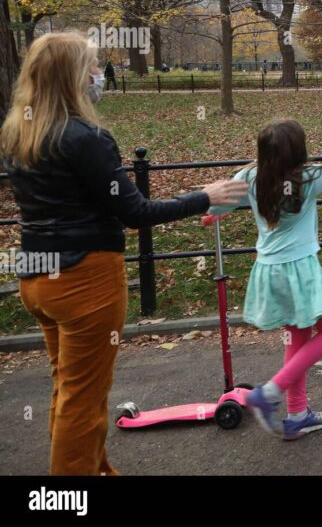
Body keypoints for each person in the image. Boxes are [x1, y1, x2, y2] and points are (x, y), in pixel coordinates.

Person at [0, 31, 248, 475]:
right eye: (93, 66)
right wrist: (203, 195)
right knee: (84, 398)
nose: (100, 74)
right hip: (84, 281)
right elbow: (136, 211)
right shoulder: (86, 137)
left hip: (37, 280)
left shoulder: (21, 132)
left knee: (71, 387)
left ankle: (95, 470)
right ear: (74, 76)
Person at [204, 107, 322, 440]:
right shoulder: (311, 178)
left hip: (267, 269)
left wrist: (211, 215)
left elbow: (217, 206)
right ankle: (269, 393)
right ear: (299, 151)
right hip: (300, 269)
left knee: (297, 337)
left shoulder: (248, 177)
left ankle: (297, 415)